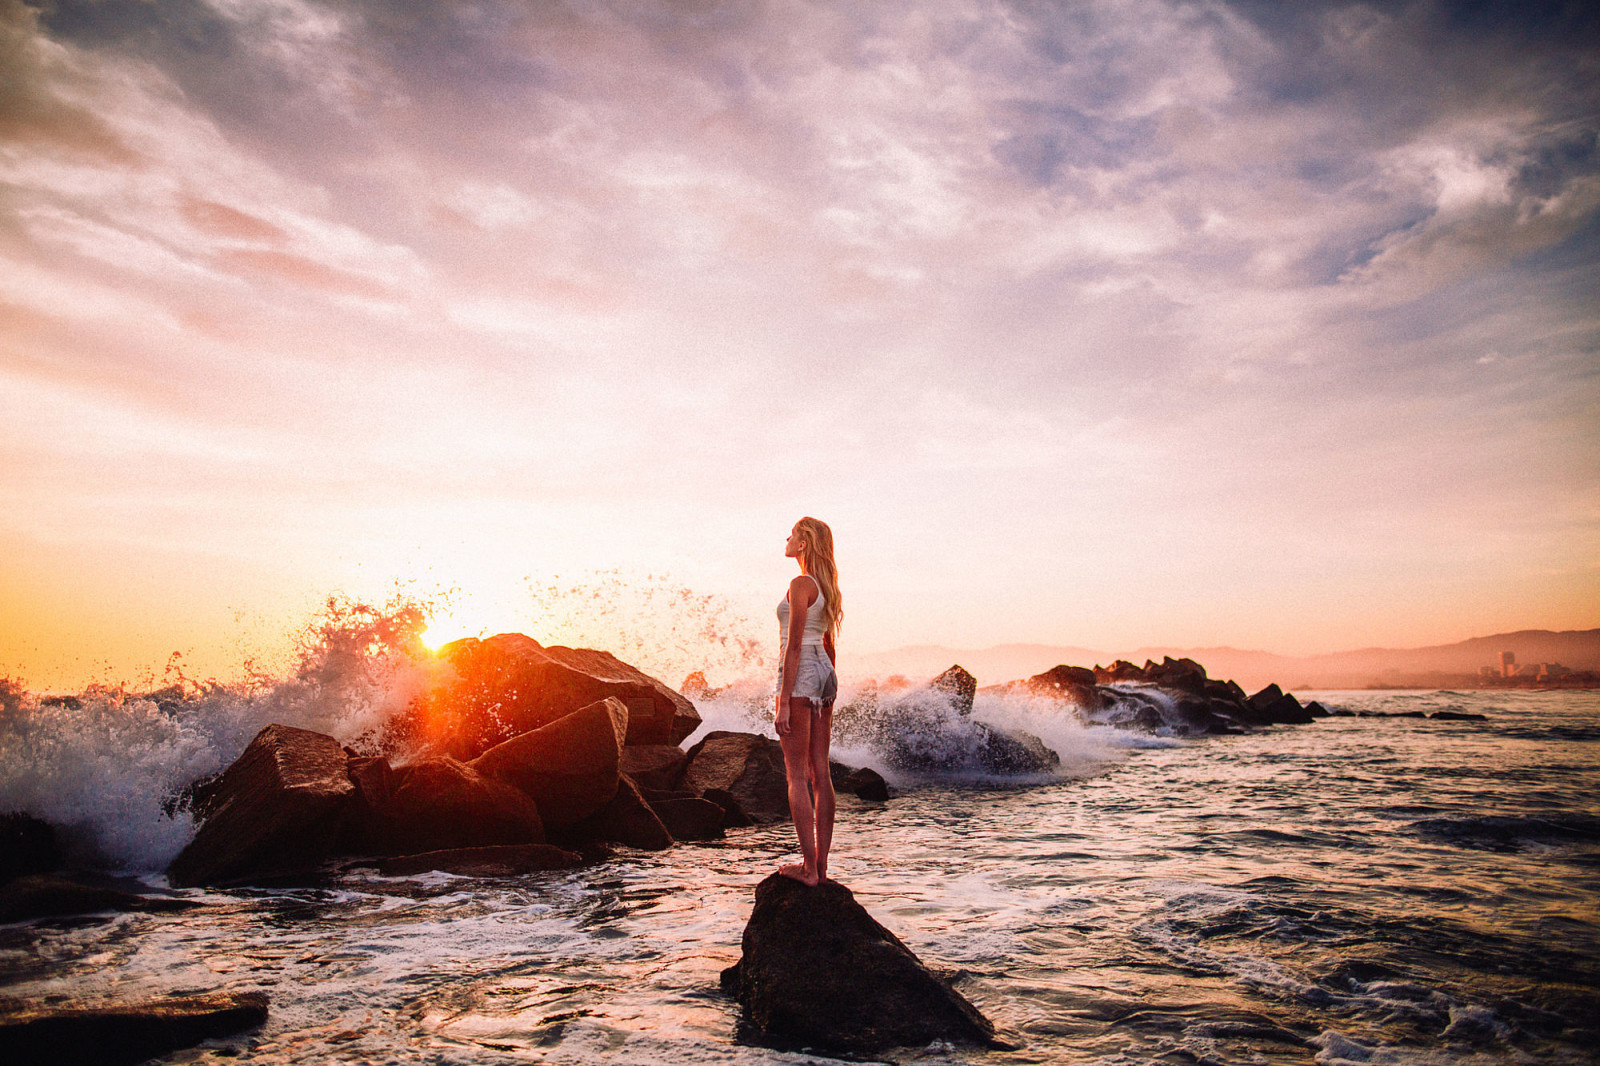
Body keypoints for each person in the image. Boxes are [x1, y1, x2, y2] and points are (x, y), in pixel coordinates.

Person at [774, 516, 843, 886]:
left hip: (801, 672)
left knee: (796, 775)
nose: (786, 538)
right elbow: (827, 642)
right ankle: (823, 866)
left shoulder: (801, 583)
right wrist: (830, 680)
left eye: (792, 534)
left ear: (803, 544)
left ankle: (809, 869)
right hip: (824, 671)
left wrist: (784, 701)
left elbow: (795, 645)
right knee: (821, 771)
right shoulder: (827, 585)